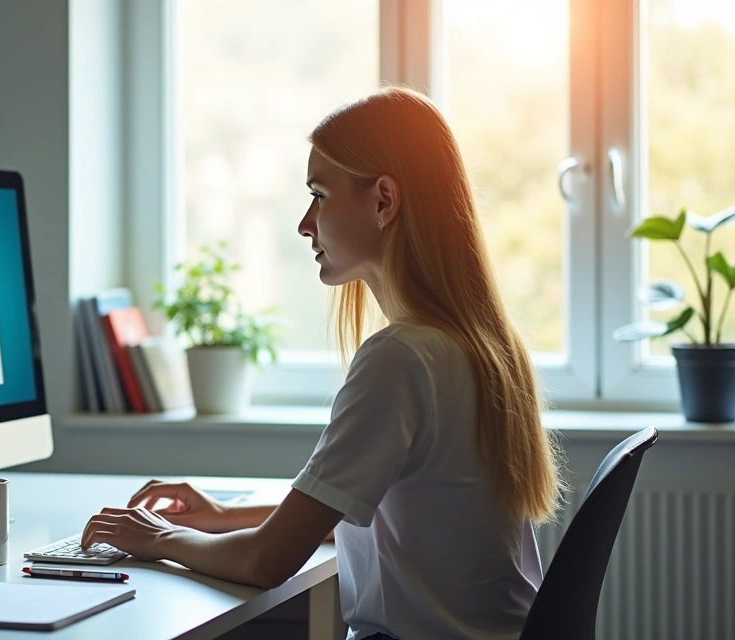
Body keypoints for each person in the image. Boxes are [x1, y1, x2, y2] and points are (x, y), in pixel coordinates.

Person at [80, 86, 564, 640]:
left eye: (319, 195)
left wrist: (153, 538)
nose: (305, 224)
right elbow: (357, 514)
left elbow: (268, 561)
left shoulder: (400, 358)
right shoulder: (481, 345)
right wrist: (221, 517)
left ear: (384, 201)